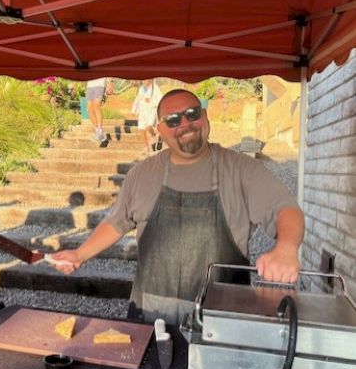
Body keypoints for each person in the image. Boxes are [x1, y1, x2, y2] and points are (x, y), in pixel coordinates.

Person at [50, 89, 304, 324]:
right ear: (160, 129)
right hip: (151, 315)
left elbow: (286, 209)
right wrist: (80, 254)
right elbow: (116, 222)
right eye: (172, 120)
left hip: (223, 319)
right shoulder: (142, 174)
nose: (184, 124)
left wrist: (286, 248)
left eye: (192, 113)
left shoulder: (240, 169)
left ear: (204, 117)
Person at [131, 79, 163, 154]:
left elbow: (160, 100)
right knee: (141, 129)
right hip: (142, 112)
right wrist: (133, 110)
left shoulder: (155, 88)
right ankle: (145, 147)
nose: (144, 80)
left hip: (151, 111)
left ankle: (153, 135)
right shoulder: (141, 89)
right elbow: (137, 99)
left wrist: (151, 101)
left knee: (149, 126)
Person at [85, 78, 108, 143]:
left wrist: (110, 83)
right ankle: (97, 131)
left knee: (96, 106)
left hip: (100, 84)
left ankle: (100, 131)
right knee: (89, 108)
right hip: (90, 85)